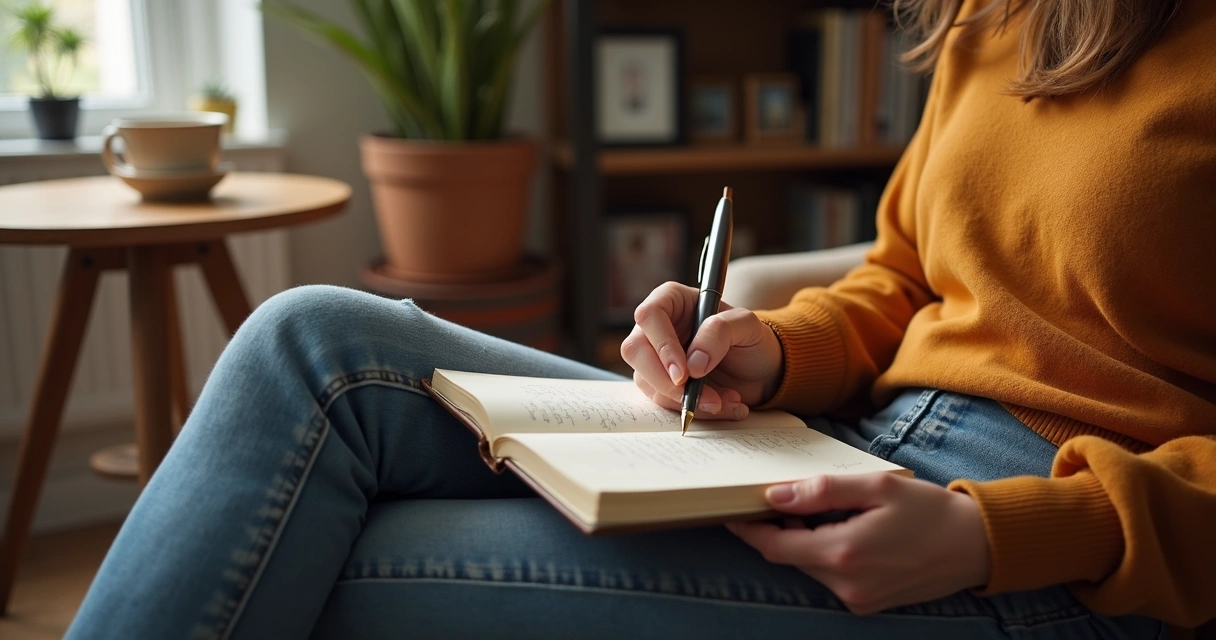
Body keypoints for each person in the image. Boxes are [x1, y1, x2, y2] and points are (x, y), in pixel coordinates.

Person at [67, 0, 1215, 637]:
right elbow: (908, 277)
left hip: (1058, 552)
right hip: (857, 446)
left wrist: (997, 535)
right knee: (309, 339)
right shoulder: (998, 16)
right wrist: (771, 350)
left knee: (320, 558)